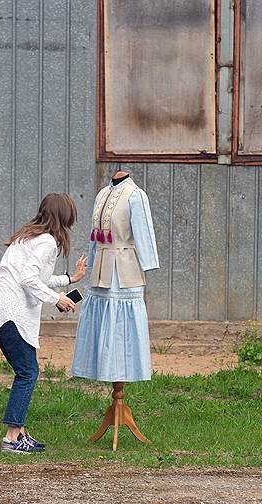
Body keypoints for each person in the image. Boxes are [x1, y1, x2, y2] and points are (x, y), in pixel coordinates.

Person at [0, 193, 87, 454]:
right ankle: (12, 437)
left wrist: (69, 279)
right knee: (28, 373)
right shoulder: (47, 242)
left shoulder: (29, 236)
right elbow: (28, 279)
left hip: (1, 310)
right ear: (64, 216)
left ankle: (19, 433)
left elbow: (36, 277)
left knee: (26, 371)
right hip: (11, 313)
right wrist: (56, 299)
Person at [69, 171, 159, 447]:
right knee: (104, 325)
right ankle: (110, 386)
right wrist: (90, 263)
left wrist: (148, 263)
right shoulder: (102, 193)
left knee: (122, 328)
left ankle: (121, 396)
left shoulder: (135, 195)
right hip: (101, 273)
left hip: (125, 272)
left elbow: (143, 232)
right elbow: (95, 238)